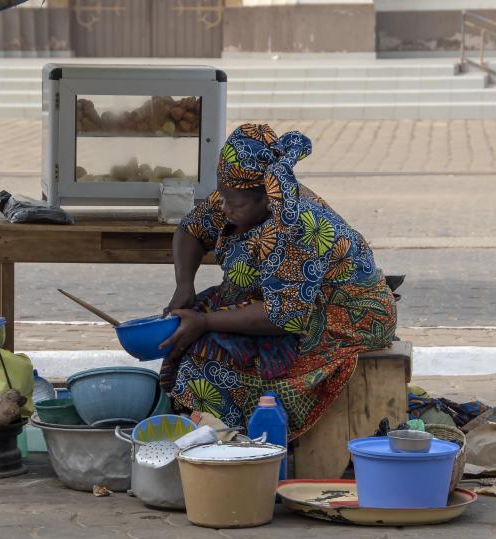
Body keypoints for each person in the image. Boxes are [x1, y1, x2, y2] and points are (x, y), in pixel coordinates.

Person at [160, 123, 397, 439]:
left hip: (347, 316)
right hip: (288, 302)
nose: (225, 208)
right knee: (200, 316)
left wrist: (204, 322)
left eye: (236, 204)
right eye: (223, 198)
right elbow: (191, 230)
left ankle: (235, 436)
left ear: (266, 199)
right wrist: (184, 285)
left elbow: (281, 316)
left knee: (213, 353)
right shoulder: (236, 195)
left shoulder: (293, 226)